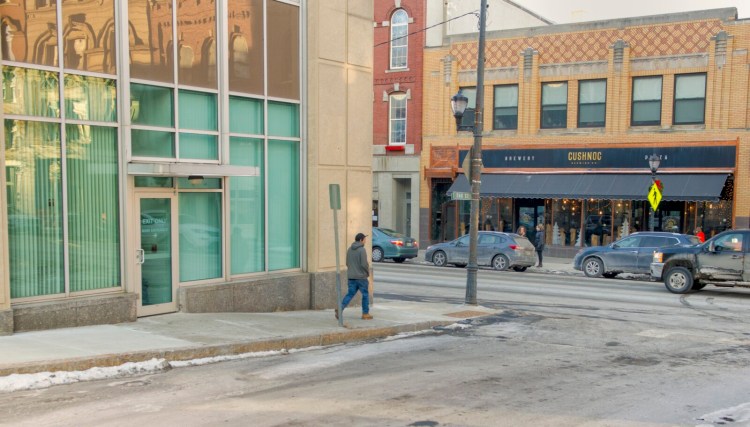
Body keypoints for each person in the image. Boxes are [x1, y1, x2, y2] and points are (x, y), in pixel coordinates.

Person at [336, 232, 372, 320]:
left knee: (350, 294)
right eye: (364, 239)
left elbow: (347, 263)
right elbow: (364, 264)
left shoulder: (349, 249)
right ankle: (365, 313)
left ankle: (340, 308)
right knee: (365, 295)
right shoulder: (362, 250)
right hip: (361, 277)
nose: (365, 241)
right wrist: (367, 273)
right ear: (361, 240)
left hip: (351, 277)